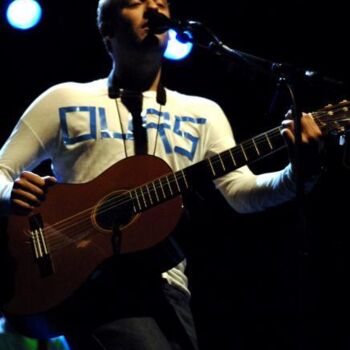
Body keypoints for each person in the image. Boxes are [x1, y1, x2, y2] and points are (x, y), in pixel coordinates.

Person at [0, 0, 323, 349]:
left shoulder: (204, 113)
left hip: (169, 289)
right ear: (107, 30)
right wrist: (9, 194)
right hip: (92, 283)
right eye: (135, 1)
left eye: (162, 1)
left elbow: (241, 193)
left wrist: (297, 173)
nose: (153, 5)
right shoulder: (63, 99)